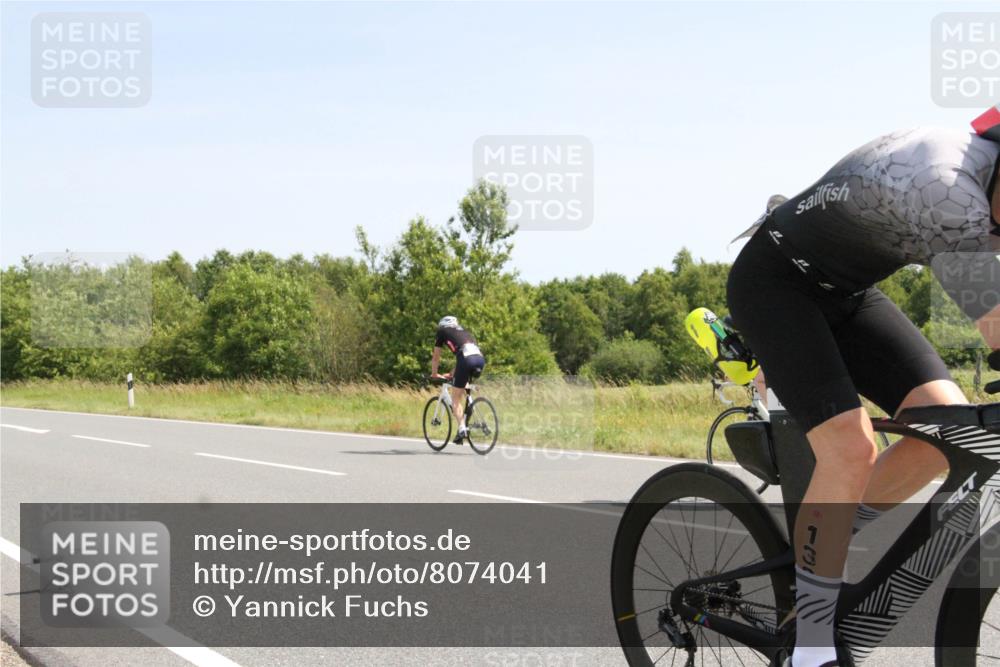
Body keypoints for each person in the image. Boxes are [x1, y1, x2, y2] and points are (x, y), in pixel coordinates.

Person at [727, 107, 1000, 667]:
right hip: (774, 285)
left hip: (848, 293)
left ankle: (818, 550)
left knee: (942, 422)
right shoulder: (947, 186)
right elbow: (992, 313)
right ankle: (811, 645)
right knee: (851, 449)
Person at [430, 315, 486, 444]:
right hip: (479, 359)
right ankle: (462, 430)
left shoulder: (442, 331)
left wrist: (434, 374)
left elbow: (436, 357)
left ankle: (462, 429)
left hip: (465, 360)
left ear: (443, 325)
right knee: (463, 389)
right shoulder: (465, 332)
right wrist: (452, 373)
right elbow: (466, 354)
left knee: (455, 398)